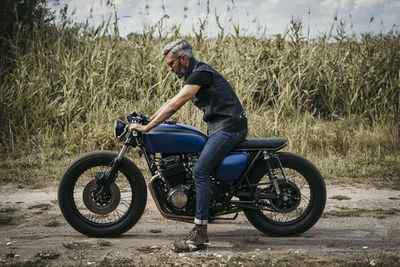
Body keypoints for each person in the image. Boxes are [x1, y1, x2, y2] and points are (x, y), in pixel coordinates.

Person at [129, 39, 248, 252]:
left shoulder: (201, 73)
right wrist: (149, 120)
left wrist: (147, 128)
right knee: (197, 162)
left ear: (183, 58)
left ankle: (200, 231)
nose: (170, 68)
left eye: (171, 63)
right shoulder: (194, 74)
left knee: (200, 171)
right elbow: (170, 102)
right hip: (218, 127)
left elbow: (176, 105)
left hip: (230, 127)